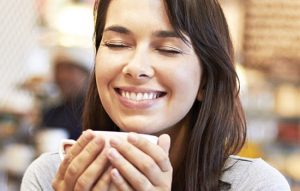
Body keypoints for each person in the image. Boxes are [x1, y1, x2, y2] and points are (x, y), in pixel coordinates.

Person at [21, 0, 291, 190]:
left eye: (168, 49)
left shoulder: (256, 185)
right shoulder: (52, 177)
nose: (136, 67)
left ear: (206, 80)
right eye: (117, 44)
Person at [41, 47, 93, 140]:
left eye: (69, 70)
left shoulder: (98, 113)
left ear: (87, 75)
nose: (62, 76)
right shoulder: (51, 113)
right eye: (58, 70)